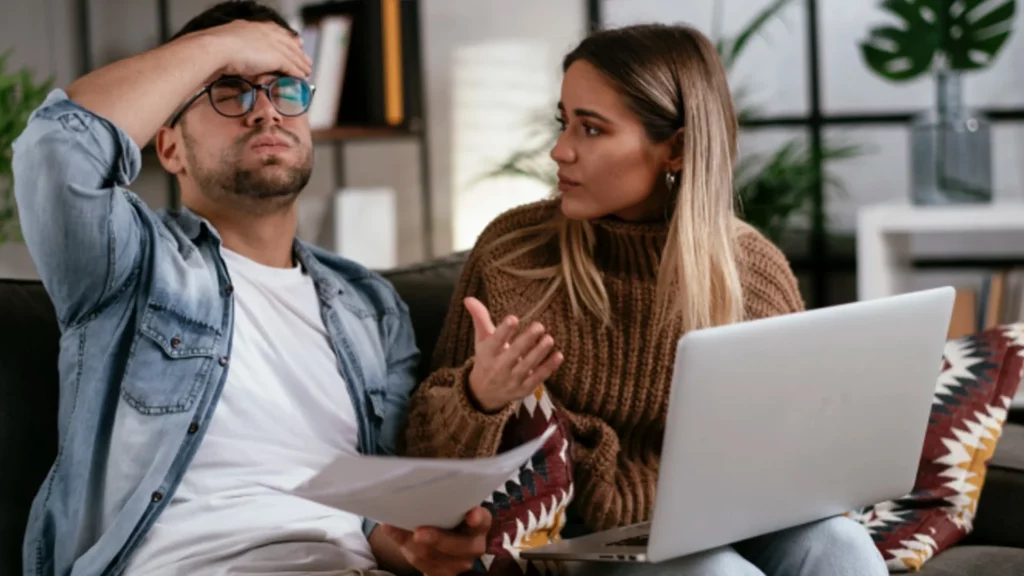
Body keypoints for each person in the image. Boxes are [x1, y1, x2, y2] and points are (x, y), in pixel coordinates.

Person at [14, 2, 488, 575]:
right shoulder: (130, 264)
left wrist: (417, 550)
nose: (266, 111)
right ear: (170, 148)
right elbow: (55, 149)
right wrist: (222, 43)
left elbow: (380, 518)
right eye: (230, 90)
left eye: (285, 89)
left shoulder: (370, 305)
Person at [401, 23, 888, 576]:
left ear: (675, 148)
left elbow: (798, 442)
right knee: (717, 574)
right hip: (586, 539)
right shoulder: (514, 254)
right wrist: (478, 395)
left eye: (591, 128)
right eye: (564, 122)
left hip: (725, 517)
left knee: (841, 545)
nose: (560, 150)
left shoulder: (750, 271)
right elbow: (423, 458)